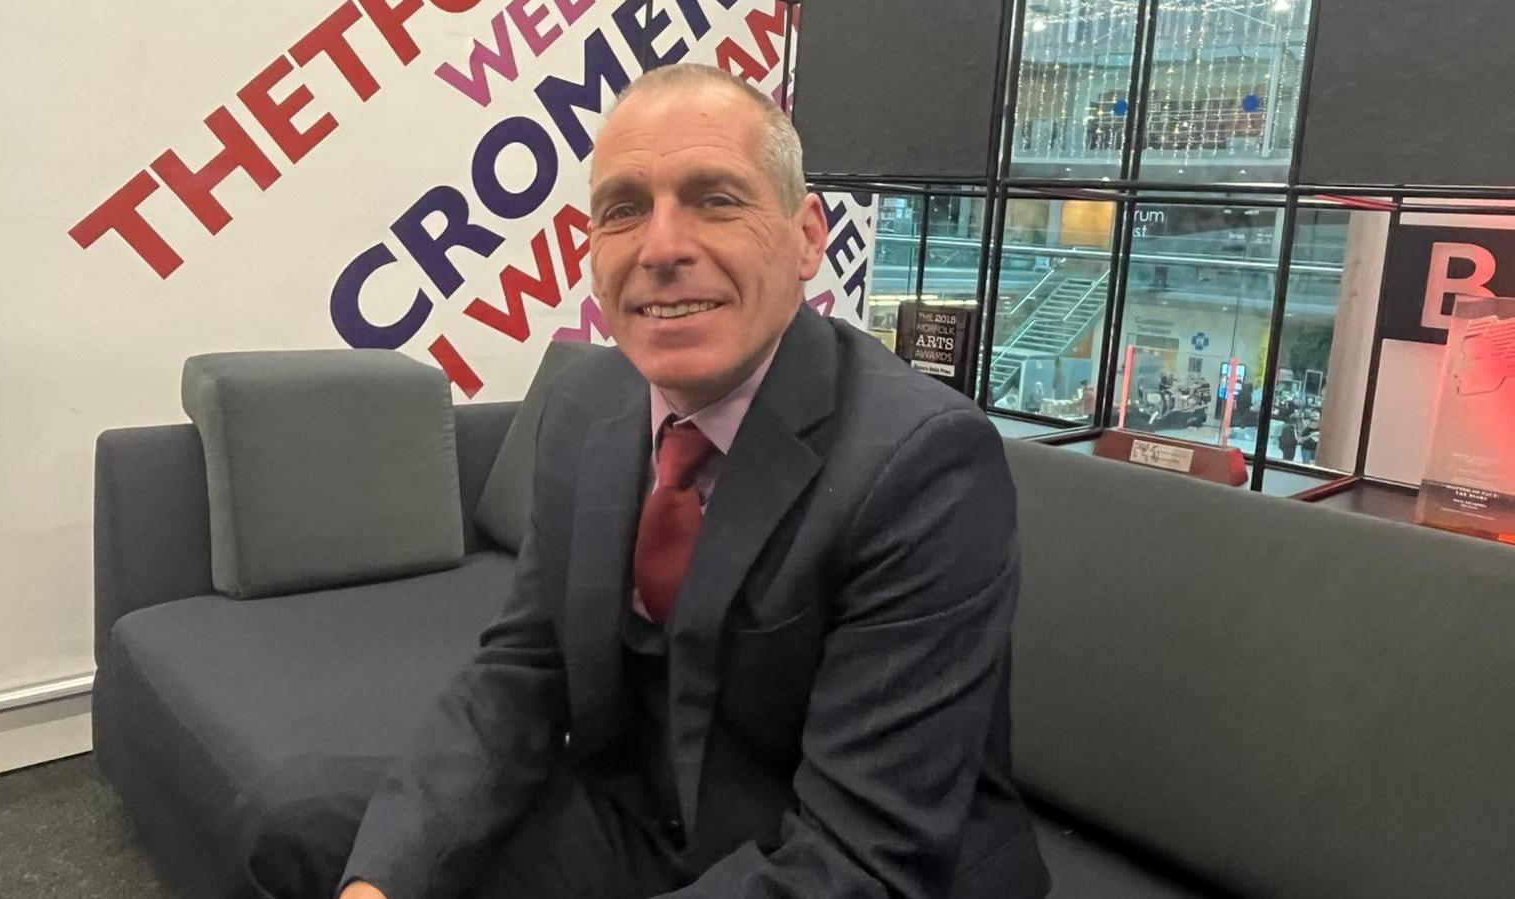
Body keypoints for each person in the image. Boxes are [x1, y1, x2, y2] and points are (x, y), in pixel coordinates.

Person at [250, 63, 1047, 899]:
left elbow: (862, 857)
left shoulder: (922, 462)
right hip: (648, 821)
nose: (662, 248)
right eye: (624, 209)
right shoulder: (585, 406)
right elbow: (522, 671)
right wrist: (381, 884)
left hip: (823, 853)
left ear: (808, 236)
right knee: (305, 825)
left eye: (717, 199)